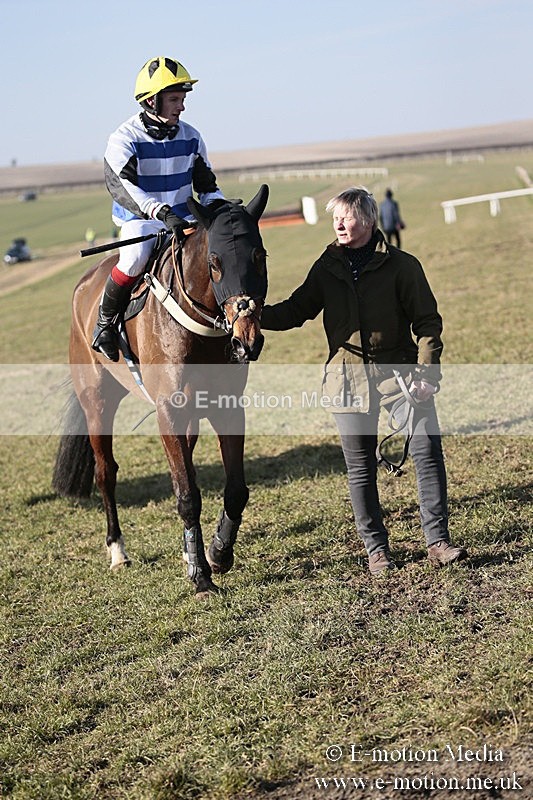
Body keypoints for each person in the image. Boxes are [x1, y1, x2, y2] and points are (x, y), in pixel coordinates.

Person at [261, 187, 467, 576]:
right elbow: (297, 310)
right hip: (346, 381)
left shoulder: (403, 266)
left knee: (426, 451)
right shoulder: (327, 266)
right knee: (360, 469)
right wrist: (255, 315)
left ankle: (437, 541)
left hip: (402, 377)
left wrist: (427, 374)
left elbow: (427, 323)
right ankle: (376, 550)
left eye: (347, 216)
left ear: (369, 221)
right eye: (335, 217)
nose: (338, 223)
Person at [92, 56, 225, 361]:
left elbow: (206, 186)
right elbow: (124, 189)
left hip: (185, 220)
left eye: (182, 99)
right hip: (141, 220)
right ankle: (105, 325)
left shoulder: (192, 136)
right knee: (136, 257)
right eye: (175, 99)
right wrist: (161, 212)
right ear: (152, 101)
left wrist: (219, 207)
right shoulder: (123, 139)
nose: (182, 107)